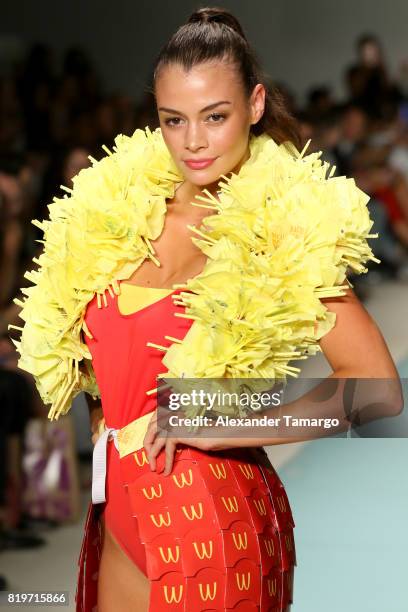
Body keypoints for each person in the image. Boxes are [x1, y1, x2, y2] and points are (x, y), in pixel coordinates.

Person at [11, 7, 402, 612]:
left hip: (217, 520)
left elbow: (378, 390)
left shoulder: (284, 228)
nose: (193, 141)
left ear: (253, 104)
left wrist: (234, 425)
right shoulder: (113, 213)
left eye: (215, 117)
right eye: (174, 120)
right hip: (118, 511)